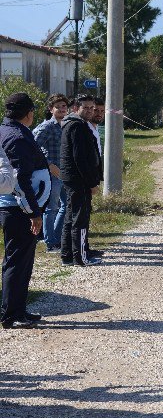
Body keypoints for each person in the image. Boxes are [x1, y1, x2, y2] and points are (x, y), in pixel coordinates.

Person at [0, 93, 49, 328]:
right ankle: (11, 315)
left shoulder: (6, 130)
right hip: (19, 210)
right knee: (17, 263)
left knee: (21, 262)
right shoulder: (17, 136)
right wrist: (34, 213)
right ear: (29, 113)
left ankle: (19, 310)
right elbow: (21, 180)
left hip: (16, 207)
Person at [60, 95, 102, 267]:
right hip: (79, 180)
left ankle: (68, 254)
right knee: (80, 219)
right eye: (86, 107)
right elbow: (80, 159)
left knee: (71, 216)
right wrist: (92, 182)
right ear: (76, 108)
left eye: (92, 108)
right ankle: (81, 257)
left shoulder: (75, 124)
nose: (90, 111)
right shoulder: (77, 126)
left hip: (73, 179)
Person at [32, 94, 69, 253]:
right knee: (51, 208)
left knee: (66, 206)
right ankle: (50, 242)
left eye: (64, 106)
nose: (62, 109)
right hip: (52, 174)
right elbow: (33, 147)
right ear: (51, 109)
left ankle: (58, 238)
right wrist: (49, 165)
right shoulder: (47, 126)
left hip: (65, 174)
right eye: (58, 106)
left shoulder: (66, 125)